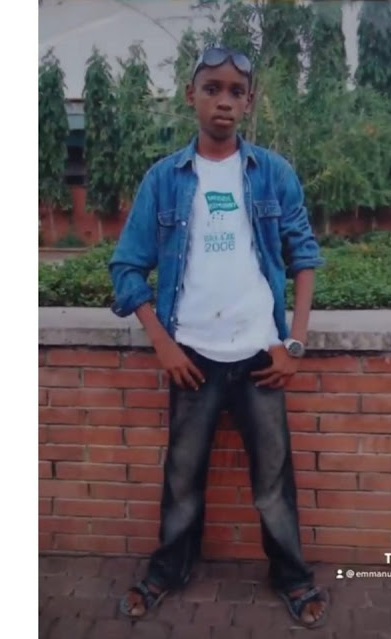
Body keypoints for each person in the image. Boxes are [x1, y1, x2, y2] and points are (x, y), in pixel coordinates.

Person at [109, 45, 329, 629]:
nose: (223, 101)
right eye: (212, 89)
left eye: (236, 91)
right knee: (182, 479)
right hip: (192, 359)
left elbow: (305, 256)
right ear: (192, 96)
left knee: (273, 483)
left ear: (248, 102)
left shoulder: (272, 173)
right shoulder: (164, 179)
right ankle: (168, 572)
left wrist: (295, 343)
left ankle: (292, 576)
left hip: (261, 357)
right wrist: (163, 342)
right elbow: (126, 268)